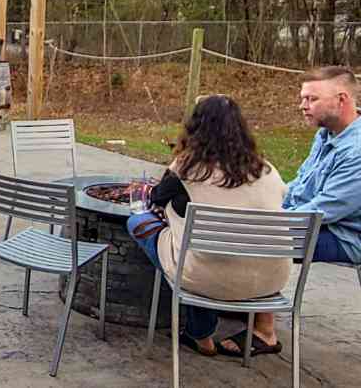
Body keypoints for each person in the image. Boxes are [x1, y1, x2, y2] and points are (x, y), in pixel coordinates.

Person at [126, 94, 289, 358]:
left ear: (194, 128)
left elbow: (155, 198)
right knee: (199, 248)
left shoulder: (187, 168)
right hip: (269, 282)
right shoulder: (267, 170)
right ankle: (217, 324)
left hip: (206, 277)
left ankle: (201, 335)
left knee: (140, 222)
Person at [283, 66, 361, 265]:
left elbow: (325, 208)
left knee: (252, 242)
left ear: (341, 100)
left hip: (343, 237)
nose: (303, 105)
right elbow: (300, 182)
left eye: (312, 99)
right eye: (303, 98)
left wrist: (271, 223)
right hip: (315, 224)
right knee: (242, 235)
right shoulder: (325, 134)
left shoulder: (356, 150)